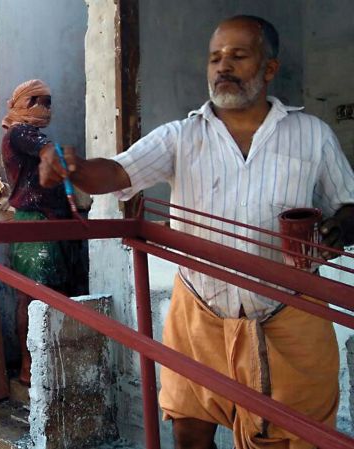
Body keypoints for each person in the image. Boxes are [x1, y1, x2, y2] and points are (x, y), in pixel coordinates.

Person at [39, 15, 354, 449]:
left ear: (269, 68)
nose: (222, 66)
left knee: (293, 437)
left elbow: (347, 202)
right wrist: (75, 170)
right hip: (199, 313)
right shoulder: (180, 137)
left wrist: (337, 225)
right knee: (188, 428)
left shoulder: (311, 135)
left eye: (238, 55)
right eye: (214, 58)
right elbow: (114, 172)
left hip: (291, 316)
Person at [2, 79, 87, 386]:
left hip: (46, 221)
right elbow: (50, 153)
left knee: (44, 295)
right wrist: (59, 157)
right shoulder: (20, 132)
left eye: (48, 102)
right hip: (36, 223)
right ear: (20, 103)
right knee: (38, 297)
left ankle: (45, 365)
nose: (43, 107)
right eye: (36, 100)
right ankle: (30, 367)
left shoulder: (29, 135)